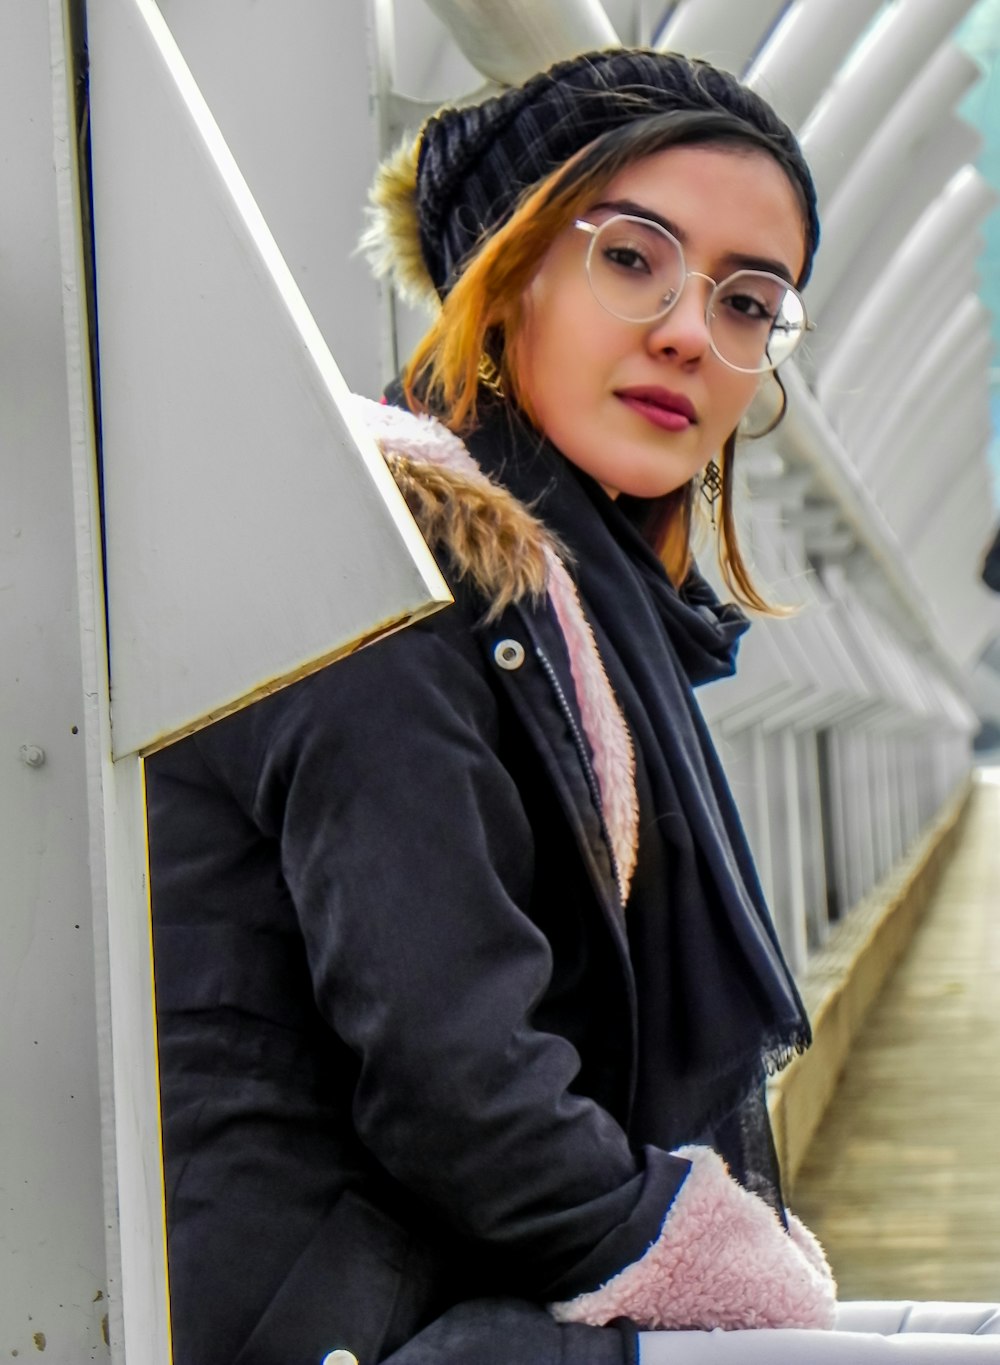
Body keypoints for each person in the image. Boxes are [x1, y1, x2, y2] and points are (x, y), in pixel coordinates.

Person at [146, 49, 836, 1365]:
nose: (694, 330)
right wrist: (724, 1265)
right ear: (506, 271)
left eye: (753, 301)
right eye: (632, 258)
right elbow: (454, 1077)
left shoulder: (564, 605)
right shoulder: (380, 570)